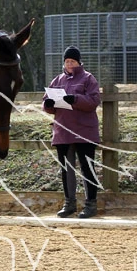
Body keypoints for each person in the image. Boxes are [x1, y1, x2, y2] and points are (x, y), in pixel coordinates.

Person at [42, 46, 101, 218]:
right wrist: (48, 105)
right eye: (67, 61)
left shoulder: (88, 78)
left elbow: (93, 101)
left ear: (79, 62)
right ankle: (69, 203)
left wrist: (75, 99)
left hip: (84, 131)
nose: (69, 64)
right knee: (66, 169)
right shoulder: (57, 80)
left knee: (87, 168)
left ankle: (90, 204)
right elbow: (46, 102)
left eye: (72, 61)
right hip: (63, 131)